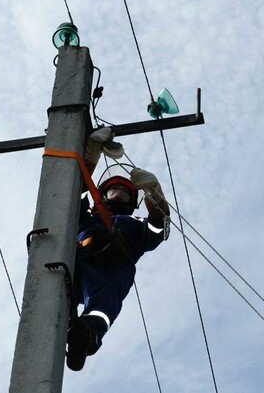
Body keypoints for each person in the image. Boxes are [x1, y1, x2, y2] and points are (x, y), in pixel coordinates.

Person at [66, 128, 171, 371]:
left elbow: (158, 229)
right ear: (101, 195)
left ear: (134, 204)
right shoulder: (85, 217)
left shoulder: (134, 225)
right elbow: (74, 188)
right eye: (115, 189)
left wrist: (154, 194)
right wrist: (91, 153)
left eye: (126, 191)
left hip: (110, 271)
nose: (120, 192)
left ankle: (86, 334)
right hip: (75, 261)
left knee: (106, 299)